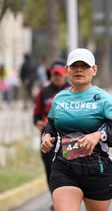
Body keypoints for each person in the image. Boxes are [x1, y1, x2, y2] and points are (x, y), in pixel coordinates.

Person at [40, 48, 112, 211]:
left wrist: (99, 135)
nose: (79, 69)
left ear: (94, 70)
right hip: (64, 167)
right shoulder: (60, 98)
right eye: (74, 66)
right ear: (67, 70)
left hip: (98, 170)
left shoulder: (104, 99)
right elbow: (51, 125)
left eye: (84, 66)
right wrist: (46, 137)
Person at [33, 60, 71, 209]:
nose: (57, 77)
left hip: (68, 138)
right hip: (48, 138)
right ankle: (55, 199)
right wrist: (38, 123)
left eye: (60, 74)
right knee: (51, 170)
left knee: (69, 169)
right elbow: (36, 115)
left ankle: (69, 198)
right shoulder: (43, 92)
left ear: (65, 74)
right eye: (54, 74)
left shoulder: (71, 90)